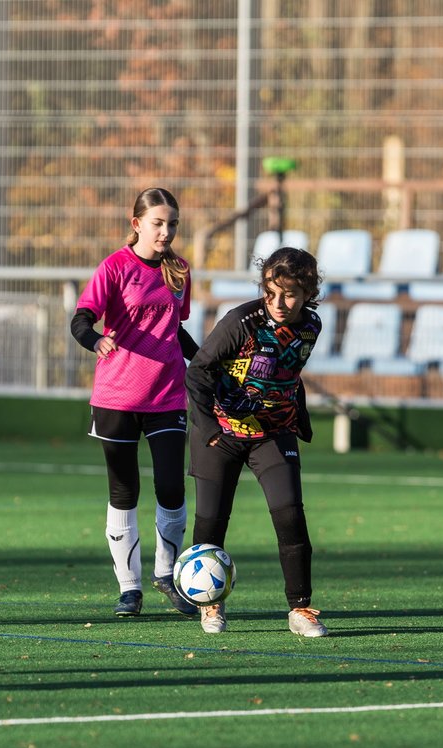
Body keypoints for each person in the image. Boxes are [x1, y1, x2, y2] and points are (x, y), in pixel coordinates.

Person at [69, 187, 201, 618]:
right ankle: (130, 589)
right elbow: (81, 319)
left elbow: (173, 331)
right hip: (117, 397)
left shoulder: (179, 269)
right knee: (124, 491)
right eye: (158, 223)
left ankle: (167, 575)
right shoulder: (115, 266)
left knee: (172, 487)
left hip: (166, 394)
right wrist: (97, 340)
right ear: (137, 224)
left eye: (172, 224)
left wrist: (204, 361)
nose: (166, 231)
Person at [185, 246, 329, 638]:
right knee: (211, 521)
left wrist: (297, 416)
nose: (279, 303)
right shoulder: (241, 321)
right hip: (221, 433)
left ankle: (301, 610)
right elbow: (198, 373)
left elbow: (287, 373)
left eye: (290, 293)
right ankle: (209, 604)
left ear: (308, 292)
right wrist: (208, 429)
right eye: (271, 292)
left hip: (273, 432)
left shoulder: (311, 327)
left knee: (291, 516)